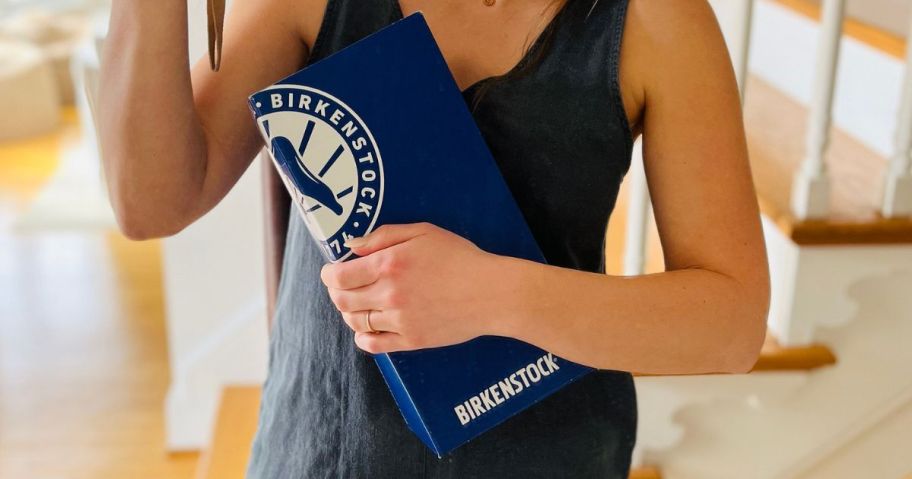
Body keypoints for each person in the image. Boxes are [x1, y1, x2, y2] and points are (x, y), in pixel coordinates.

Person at [97, 0, 770, 477]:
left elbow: (732, 322)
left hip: (545, 458)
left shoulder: (659, 20)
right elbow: (150, 205)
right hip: (322, 453)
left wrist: (494, 294)